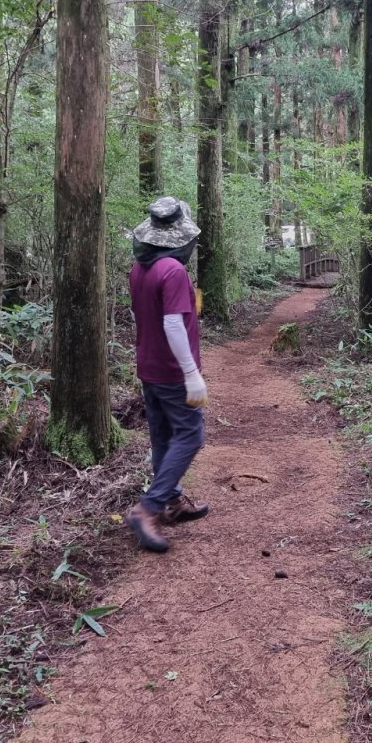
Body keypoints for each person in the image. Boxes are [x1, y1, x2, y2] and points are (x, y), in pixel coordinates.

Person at [124, 197, 211, 553]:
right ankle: (148, 508)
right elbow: (173, 322)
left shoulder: (140, 268)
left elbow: (139, 315)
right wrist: (190, 372)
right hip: (173, 371)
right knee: (190, 436)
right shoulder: (173, 271)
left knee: (162, 436)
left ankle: (172, 501)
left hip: (149, 367)